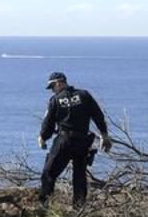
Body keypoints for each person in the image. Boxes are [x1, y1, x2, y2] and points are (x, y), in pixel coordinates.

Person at [38, 71, 111, 207]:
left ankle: (44, 206)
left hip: (64, 141)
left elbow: (48, 122)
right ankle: (79, 207)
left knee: (48, 173)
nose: (52, 90)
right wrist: (104, 135)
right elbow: (98, 115)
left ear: (59, 83)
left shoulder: (56, 100)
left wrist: (42, 137)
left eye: (53, 87)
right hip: (83, 141)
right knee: (79, 175)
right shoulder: (84, 95)